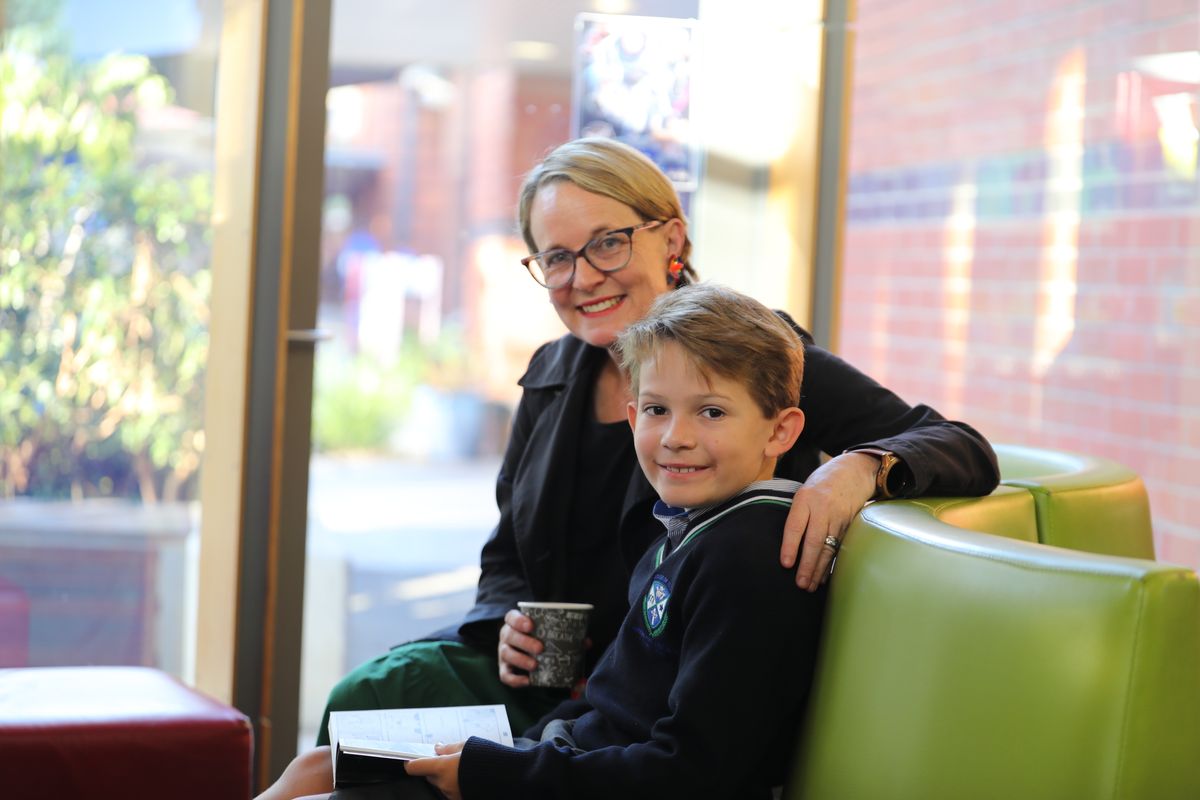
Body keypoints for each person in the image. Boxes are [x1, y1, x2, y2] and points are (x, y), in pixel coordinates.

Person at [314, 136, 999, 747]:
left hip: (652, 693)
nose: (583, 277)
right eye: (557, 257)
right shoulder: (552, 375)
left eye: (607, 243)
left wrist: (858, 468)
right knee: (362, 706)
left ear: (671, 240)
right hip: (547, 681)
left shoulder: (746, 349)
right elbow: (507, 557)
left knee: (374, 752)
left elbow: (958, 444)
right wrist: (507, 623)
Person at [259, 283, 827, 800]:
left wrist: (495, 771)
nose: (676, 437)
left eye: (712, 412)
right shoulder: (685, 532)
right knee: (317, 766)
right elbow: (609, 702)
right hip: (566, 757)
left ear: (780, 430)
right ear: (633, 418)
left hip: (588, 779)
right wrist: (513, 752)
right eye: (657, 410)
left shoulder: (747, 559)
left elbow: (692, 772)